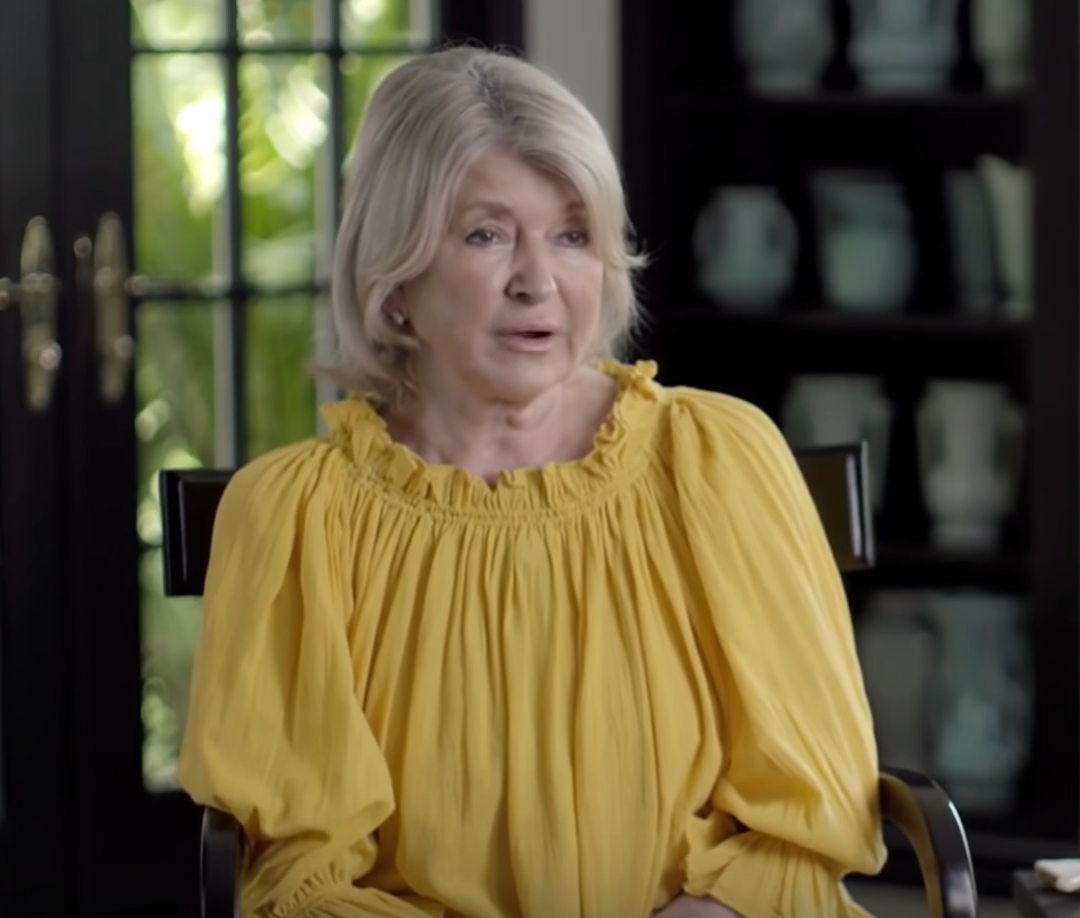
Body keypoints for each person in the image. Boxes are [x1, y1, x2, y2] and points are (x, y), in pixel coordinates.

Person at [175, 46, 887, 918]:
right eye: (488, 234)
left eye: (572, 235)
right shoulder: (295, 519)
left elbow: (812, 805)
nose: (538, 282)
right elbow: (299, 877)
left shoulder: (720, 460)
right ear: (395, 277)